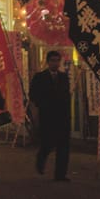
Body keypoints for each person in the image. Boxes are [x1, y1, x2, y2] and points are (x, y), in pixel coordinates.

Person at [29, 50, 71, 182]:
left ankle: (60, 175)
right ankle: (41, 158)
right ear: (48, 62)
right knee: (48, 143)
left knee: (63, 146)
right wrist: (41, 104)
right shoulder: (39, 77)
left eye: (57, 61)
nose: (55, 63)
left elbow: (66, 95)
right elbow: (33, 94)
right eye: (53, 60)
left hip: (63, 116)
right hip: (47, 115)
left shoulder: (64, 77)